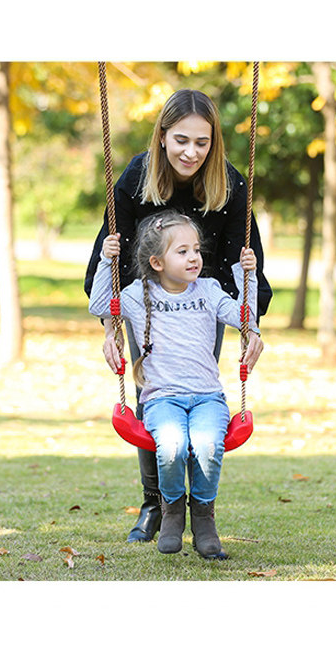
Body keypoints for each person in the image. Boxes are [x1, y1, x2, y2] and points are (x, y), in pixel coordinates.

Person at [84, 88, 272, 543]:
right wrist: (111, 328)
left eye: (202, 142)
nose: (191, 152)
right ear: (163, 135)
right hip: (147, 302)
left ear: (214, 142)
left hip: (206, 301)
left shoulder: (229, 184)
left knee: (197, 390)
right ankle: (157, 503)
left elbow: (243, 260)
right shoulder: (138, 176)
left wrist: (250, 326)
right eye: (181, 140)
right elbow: (113, 252)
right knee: (155, 394)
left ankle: (201, 509)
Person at [88, 211, 261, 558]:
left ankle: (204, 518)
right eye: (182, 252)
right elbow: (99, 305)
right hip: (162, 399)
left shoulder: (209, 291)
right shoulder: (138, 295)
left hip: (207, 398)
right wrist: (106, 262)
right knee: (171, 446)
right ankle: (171, 512)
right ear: (157, 262)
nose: (194, 257)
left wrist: (248, 276)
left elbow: (245, 317)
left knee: (208, 445)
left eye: (196, 250)